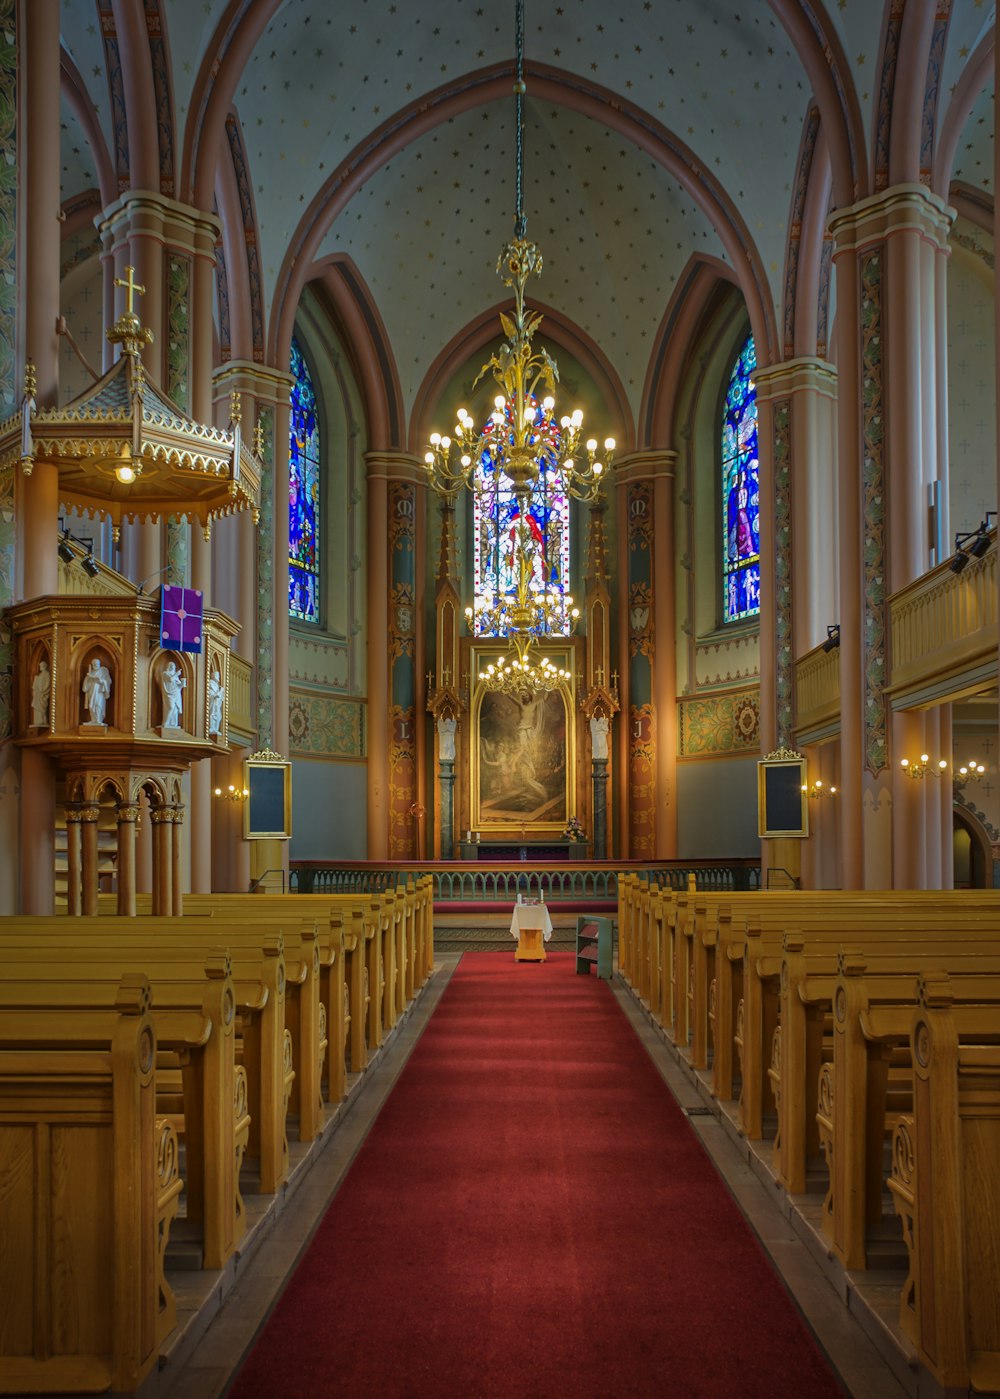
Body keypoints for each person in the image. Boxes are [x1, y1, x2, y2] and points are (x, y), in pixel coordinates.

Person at [82, 655, 111, 725]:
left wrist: (102, 681)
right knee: (91, 706)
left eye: (97, 664)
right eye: (94, 664)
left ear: (99, 664)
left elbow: (108, 681)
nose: (96, 665)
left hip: (99, 693)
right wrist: (88, 679)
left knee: (98, 705)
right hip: (91, 693)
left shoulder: (103, 672)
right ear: (92, 665)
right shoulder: (89, 675)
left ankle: (99, 720)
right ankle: (93, 720)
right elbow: (85, 688)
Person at [160, 659, 186, 728]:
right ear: (168, 666)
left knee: (175, 709)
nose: (172, 667)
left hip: (176, 694)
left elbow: (179, 686)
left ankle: (173, 724)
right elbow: (170, 680)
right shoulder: (165, 673)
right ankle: (165, 723)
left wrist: (182, 684)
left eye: (173, 666)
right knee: (170, 707)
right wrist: (176, 674)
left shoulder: (176, 676)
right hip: (169, 693)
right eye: (171, 665)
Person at [31, 658, 50, 728]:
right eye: (40, 666)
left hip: (42, 694)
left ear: (44, 666)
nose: (40, 667)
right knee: (37, 708)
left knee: (42, 709)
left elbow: (48, 684)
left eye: (41, 666)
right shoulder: (40, 674)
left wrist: (43, 691)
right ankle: (38, 721)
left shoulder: (47, 674)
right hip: (38, 694)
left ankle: (42, 721)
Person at [208, 669, 224, 736]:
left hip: (217, 703)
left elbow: (220, 697)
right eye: (217, 675)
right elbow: (210, 693)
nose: (218, 677)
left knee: (219, 716)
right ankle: (211, 728)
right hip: (212, 702)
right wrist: (220, 692)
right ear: (213, 676)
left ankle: (215, 729)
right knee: (212, 714)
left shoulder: (217, 685)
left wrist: (221, 692)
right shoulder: (210, 683)